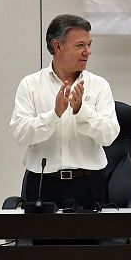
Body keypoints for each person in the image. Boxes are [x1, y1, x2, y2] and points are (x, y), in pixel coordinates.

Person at [10, 14, 119, 209]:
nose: (88, 51)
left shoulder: (99, 85)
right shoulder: (31, 85)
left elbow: (109, 135)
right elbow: (21, 134)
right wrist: (54, 116)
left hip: (89, 184)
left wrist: (81, 111)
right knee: (44, 240)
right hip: (43, 184)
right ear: (57, 46)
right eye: (80, 46)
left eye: (89, 44)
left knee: (91, 239)